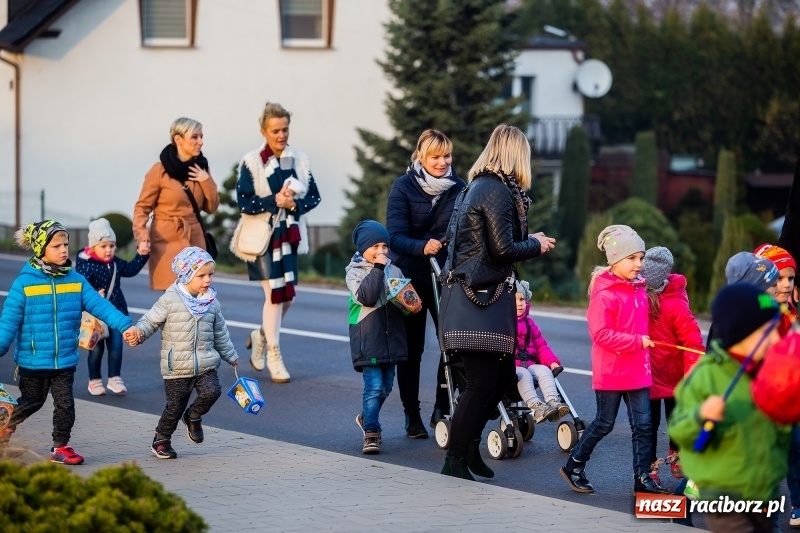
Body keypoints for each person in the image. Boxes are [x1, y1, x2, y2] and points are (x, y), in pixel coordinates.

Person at [439, 124, 555, 480]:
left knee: (501, 378)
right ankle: (454, 460)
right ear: (516, 155)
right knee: (479, 385)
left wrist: (529, 239)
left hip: (479, 299)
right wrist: (535, 244)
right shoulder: (495, 190)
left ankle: (470, 448)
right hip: (479, 301)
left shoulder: (479, 186)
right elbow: (502, 249)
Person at [0, 221, 138, 464]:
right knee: (31, 402)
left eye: (65, 244)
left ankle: (60, 447)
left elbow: (101, 306)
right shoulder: (24, 284)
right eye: (57, 246)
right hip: (34, 360)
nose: (64, 249)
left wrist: (125, 325)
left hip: (64, 359)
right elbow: (8, 322)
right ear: (41, 249)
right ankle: (5, 428)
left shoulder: (76, 280)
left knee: (65, 405)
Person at [669, 283, 789, 533]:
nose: (776, 339)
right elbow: (679, 429)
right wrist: (701, 415)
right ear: (740, 333)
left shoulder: (767, 371)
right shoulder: (707, 376)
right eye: (767, 332)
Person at [560, 224, 669, 495]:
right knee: (604, 424)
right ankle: (574, 465)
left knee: (643, 426)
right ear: (615, 260)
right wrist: (637, 342)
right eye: (632, 258)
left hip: (638, 370)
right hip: (612, 372)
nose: (639, 264)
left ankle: (642, 479)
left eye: (641, 258)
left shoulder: (640, 289)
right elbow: (600, 335)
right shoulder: (604, 294)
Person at [231, 102, 321, 384]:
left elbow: (314, 197)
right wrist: (274, 200)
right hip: (263, 237)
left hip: (289, 236)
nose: (281, 135)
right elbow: (244, 202)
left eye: (285, 129)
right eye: (275, 131)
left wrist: (293, 204)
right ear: (263, 131)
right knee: (274, 295)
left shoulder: (299, 159)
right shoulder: (252, 161)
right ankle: (273, 354)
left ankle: (261, 334)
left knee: (288, 298)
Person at [386, 129, 466, 438]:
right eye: (435, 157)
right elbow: (394, 236)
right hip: (411, 275)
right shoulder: (403, 187)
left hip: (446, 274)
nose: (443, 162)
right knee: (413, 348)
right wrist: (422, 246)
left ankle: (442, 407)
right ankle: (412, 414)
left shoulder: (459, 187)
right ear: (421, 156)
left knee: (452, 342)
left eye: (447, 156)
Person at [127, 247, 239, 459]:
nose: (208, 280)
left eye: (211, 274)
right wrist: (138, 334)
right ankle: (161, 440)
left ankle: (193, 416)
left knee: (212, 391)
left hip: (205, 363)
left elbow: (220, 333)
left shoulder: (212, 303)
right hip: (177, 366)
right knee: (175, 407)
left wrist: (230, 355)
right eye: (201, 275)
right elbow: (150, 321)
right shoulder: (170, 299)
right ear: (187, 275)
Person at [640, 246, 703, 486]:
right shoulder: (637, 298)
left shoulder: (675, 303)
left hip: (674, 376)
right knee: (649, 424)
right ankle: (649, 465)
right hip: (646, 374)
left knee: (675, 419)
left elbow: (693, 341)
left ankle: (676, 454)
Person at [133, 117, 220, 291]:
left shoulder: (201, 169)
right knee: (172, 296)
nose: (201, 142)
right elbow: (142, 208)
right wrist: (142, 237)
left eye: (201, 137)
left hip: (195, 239)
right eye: (194, 137)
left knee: (196, 295)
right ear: (178, 139)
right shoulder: (159, 171)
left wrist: (206, 181)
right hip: (166, 241)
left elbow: (211, 208)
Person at [346, 220, 408, 455]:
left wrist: (410, 302)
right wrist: (378, 269)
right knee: (373, 387)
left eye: (385, 246)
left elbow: (403, 298)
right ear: (363, 248)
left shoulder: (395, 270)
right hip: (368, 337)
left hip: (391, 338)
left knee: (386, 387)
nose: (381, 251)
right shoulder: (355, 272)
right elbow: (368, 297)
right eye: (375, 246)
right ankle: (371, 432)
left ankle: (366, 416)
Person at [753, 244, 800, 529]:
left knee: (795, 448)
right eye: (779, 278)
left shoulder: (790, 310)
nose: (786, 284)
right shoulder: (756, 311)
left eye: (790, 278)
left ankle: (797, 505)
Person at [76, 218, 149, 396]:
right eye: (103, 246)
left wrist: (142, 255)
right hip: (95, 315)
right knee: (96, 349)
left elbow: (130, 269)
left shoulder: (115, 263)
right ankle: (94, 381)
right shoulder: (86, 265)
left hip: (117, 312)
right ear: (93, 247)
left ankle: (114, 378)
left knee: (116, 347)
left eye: (111, 246)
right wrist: (95, 294)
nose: (108, 250)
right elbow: (80, 288)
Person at [513, 279, 568, 423]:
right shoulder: (503, 324)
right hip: (512, 367)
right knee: (523, 374)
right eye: (515, 300)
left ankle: (553, 402)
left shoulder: (529, 323)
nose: (519, 304)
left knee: (544, 370)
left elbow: (541, 346)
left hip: (529, 363)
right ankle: (536, 407)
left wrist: (552, 362)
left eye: (522, 299)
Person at [705, 252, 779, 348]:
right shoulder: (735, 325)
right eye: (774, 285)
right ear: (754, 288)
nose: (778, 290)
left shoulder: (766, 316)